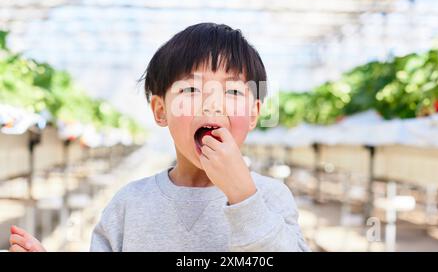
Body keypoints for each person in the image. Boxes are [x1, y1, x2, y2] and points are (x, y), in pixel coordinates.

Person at [9, 23, 310, 252]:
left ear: (255, 113)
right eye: (190, 90)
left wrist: (244, 197)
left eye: (232, 92)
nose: (212, 104)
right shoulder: (129, 204)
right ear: (160, 110)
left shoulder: (271, 198)